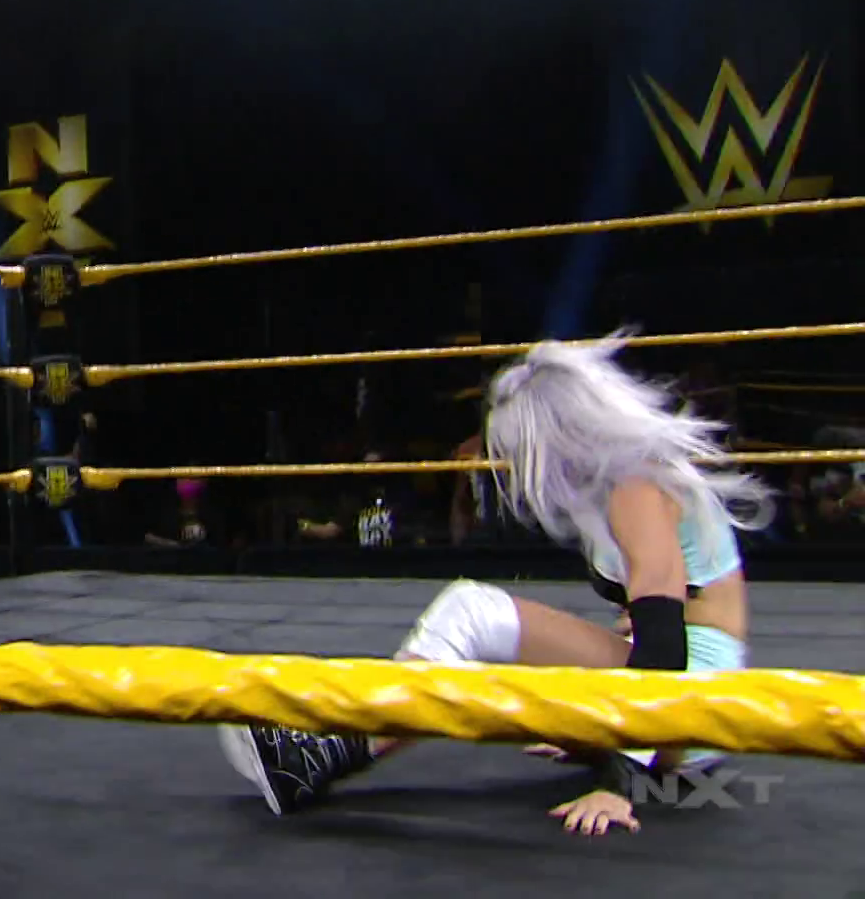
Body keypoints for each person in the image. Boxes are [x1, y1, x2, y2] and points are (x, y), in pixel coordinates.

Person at [219, 334, 771, 837]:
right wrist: (585, 720)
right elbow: (664, 610)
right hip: (681, 701)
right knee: (493, 654)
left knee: (472, 613)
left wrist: (619, 781)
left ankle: (332, 752)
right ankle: (336, 745)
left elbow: (665, 646)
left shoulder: (636, 487)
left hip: (692, 703)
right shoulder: (617, 483)